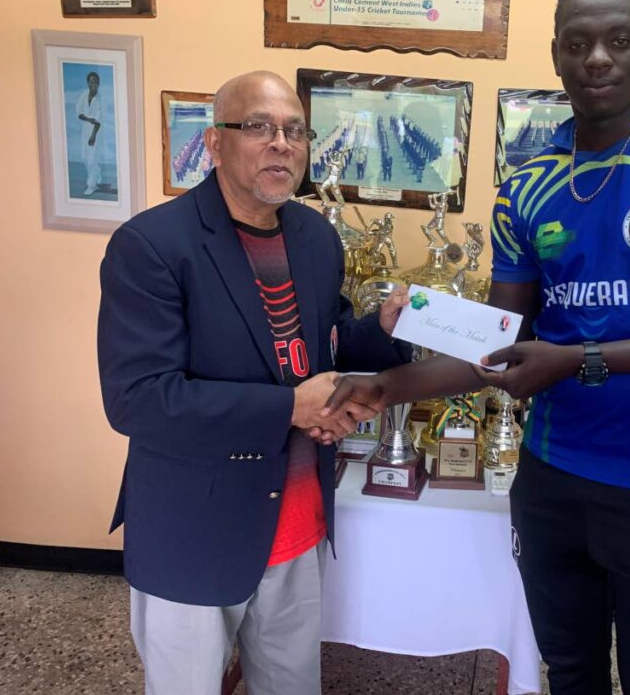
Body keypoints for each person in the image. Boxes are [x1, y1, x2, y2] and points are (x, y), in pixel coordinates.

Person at [325, 0, 630, 695]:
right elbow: (503, 340)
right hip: (554, 478)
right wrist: (388, 384)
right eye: (579, 44)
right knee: (569, 671)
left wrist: (580, 360)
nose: (597, 58)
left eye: (618, 40)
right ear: (558, 57)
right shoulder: (528, 185)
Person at [97, 71, 410, 695]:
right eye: (259, 127)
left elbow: (322, 347)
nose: (281, 144)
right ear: (214, 143)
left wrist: (381, 329)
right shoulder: (152, 246)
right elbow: (139, 399)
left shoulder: (316, 239)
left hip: (296, 524)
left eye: (294, 130)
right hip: (195, 531)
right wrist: (291, 407)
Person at [76, 71, 103, 196]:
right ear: (88, 83)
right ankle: (96, 172)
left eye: (95, 82)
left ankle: (91, 185)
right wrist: (89, 119)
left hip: (96, 132)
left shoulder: (99, 99)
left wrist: (93, 136)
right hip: (85, 130)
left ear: (98, 84)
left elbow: (98, 122)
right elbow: (79, 113)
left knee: (92, 158)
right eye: (91, 81)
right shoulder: (83, 95)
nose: (93, 84)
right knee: (84, 157)